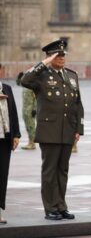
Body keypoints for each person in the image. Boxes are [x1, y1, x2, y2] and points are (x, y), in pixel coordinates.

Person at [21, 39, 84, 220]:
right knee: (49, 171)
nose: (62, 58)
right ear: (49, 57)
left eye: (64, 55)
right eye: (58, 55)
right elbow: (25, 80)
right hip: (49, 131)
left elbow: (78, 103)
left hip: (68, 130)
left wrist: (78, 128)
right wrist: (43, 64)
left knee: (62, 170)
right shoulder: (41, 76)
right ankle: (50, 208)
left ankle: (61, 206)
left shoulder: (71, 76)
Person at [0, 80, 21, 224]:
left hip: (4, 139)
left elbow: (13, 111)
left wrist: (16, 135)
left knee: (2, 175)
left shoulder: (6, 88)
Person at [16, 71, 37, 150]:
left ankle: (32, 143)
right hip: (25, 110)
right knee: (27, 126)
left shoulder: (32, 86)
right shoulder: (25, 85)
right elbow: (18, 83)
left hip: (30, 109)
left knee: (31, 127)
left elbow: (36, 99)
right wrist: (19, 77)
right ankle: (30, 142)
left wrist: (34, 109)